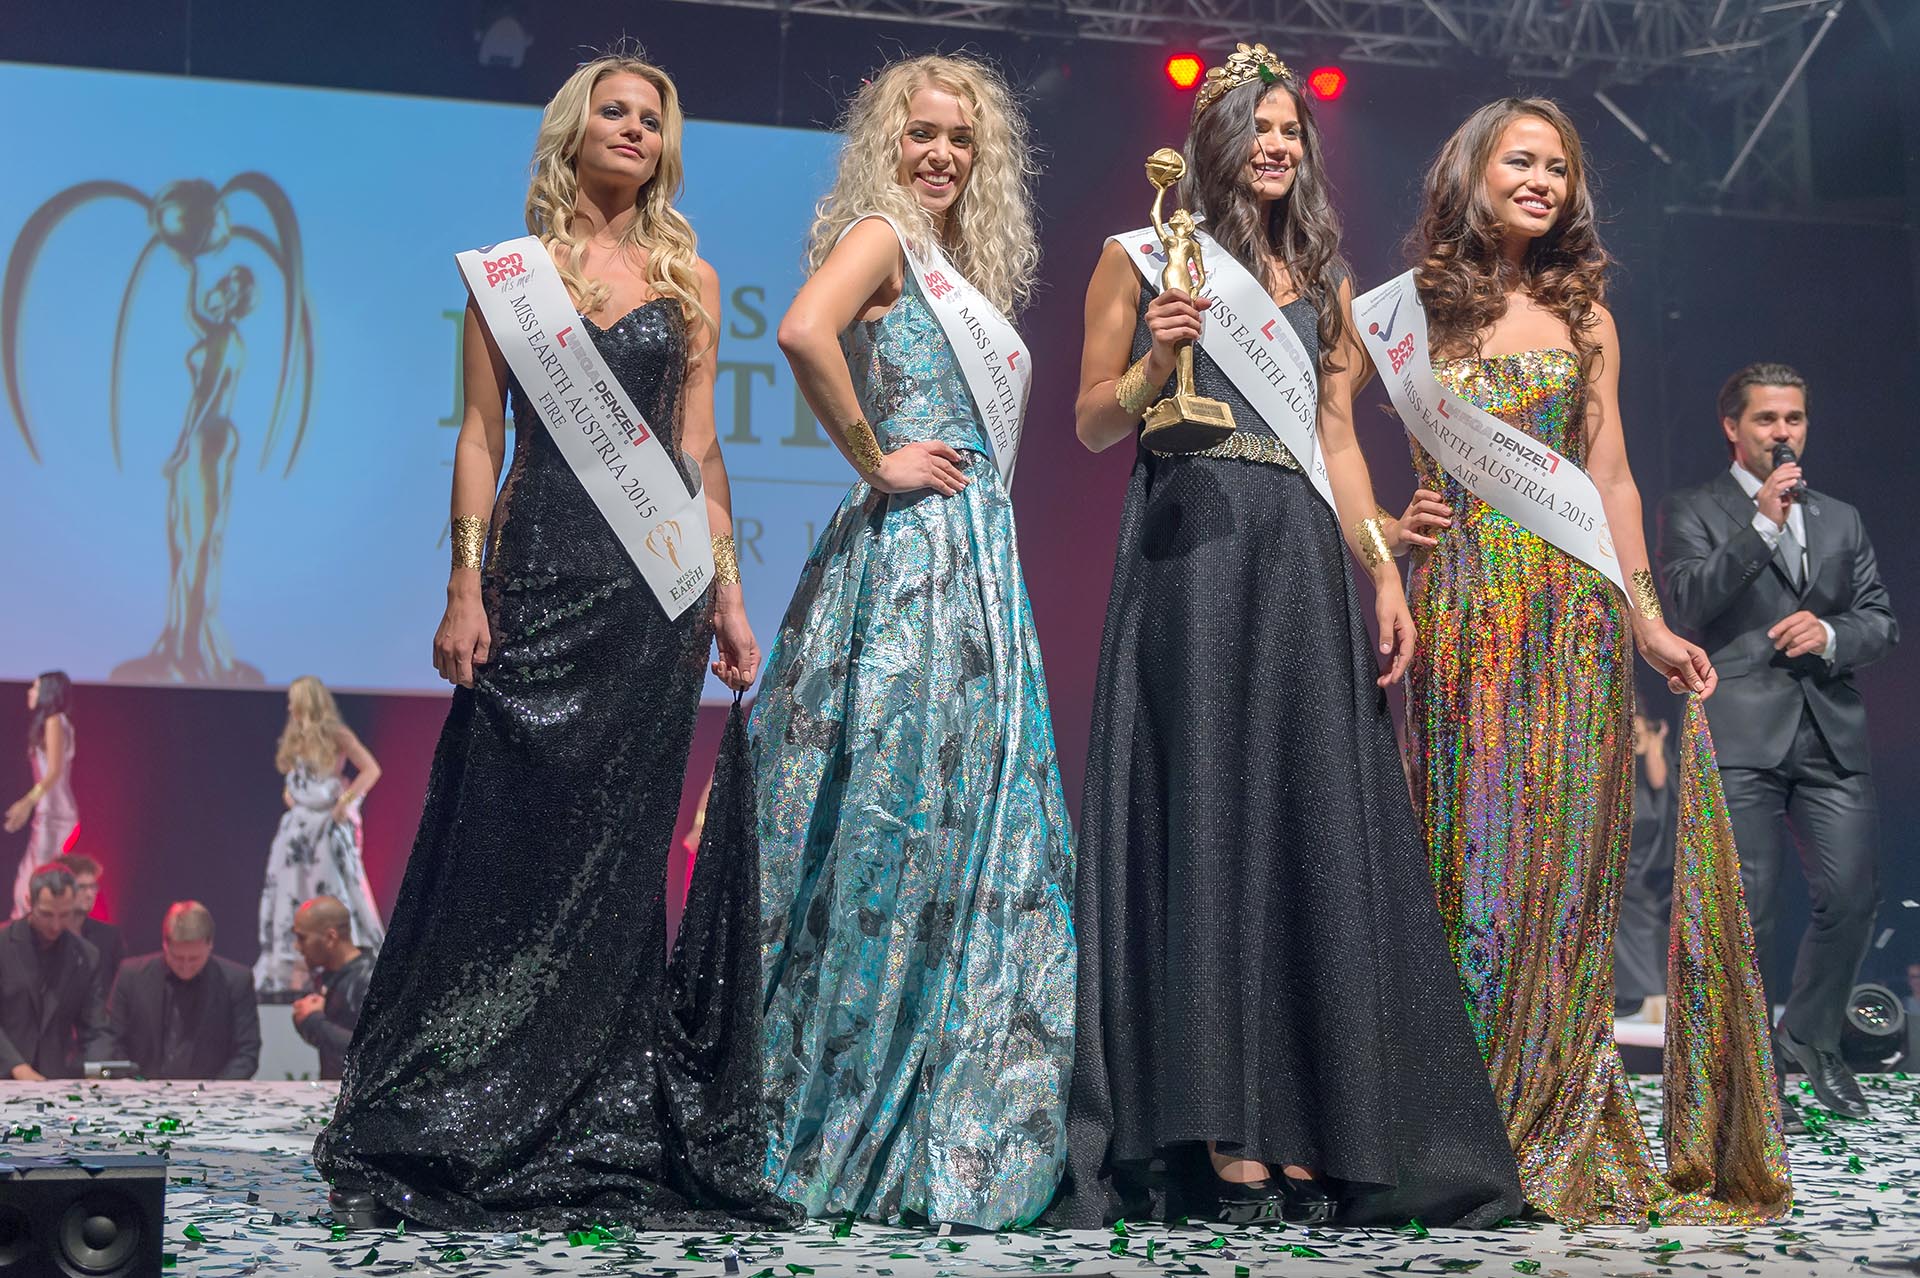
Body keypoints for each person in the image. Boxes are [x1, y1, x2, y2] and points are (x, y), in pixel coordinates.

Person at [314, 53, 787, 1232]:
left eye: (651, 120)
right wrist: (462, 585)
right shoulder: (510, 278)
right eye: (613, 112)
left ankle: (592, 1111)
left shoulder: (691, 279)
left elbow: (698, 453)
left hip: (651, 606)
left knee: (615, 867)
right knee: (501, 849)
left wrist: (729, 599)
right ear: (573, 131)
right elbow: (481, 436)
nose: (633, 129)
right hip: (531, 582)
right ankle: (460, 1101)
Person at [1058, 45, 1521, 1230]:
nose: (1277, 146)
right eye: (1258, 128)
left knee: (1305, 826)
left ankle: (1321, 1119)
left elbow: (1336, 443)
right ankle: (1220, 1129)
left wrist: (1383, 567)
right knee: (1212, 818)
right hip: (1196, 552)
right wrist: (1156, 362)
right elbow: (1094, 423)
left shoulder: (1322, 278)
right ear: (1216, 141)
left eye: (1290, 132)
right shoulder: (1137, 256)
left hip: (1301, 558)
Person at [1389, 97, 1789, 1223]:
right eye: (1520, 161)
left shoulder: (1587, 315)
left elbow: (1609, 477)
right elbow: (1338, 432)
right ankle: (1460, 1123)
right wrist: (1387, 533)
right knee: (1470, 864)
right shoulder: (1409, 309)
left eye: (1558, 168)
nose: (1541, 182)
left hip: (1572, 619)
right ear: (1471, 171)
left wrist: (1648, 619)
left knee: (1566, 872)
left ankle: (1556, 1117)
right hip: (1466, 609)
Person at [751, 54, 1074, 1229]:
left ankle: (946, 1110)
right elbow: (801, 330)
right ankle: (854, 1105)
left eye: (961, 139)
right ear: (888, 142)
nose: (941, 154)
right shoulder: (885, 235)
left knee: (967, 815)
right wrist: (872, 457)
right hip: (916, 559)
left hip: (976, 557)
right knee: (897, 812)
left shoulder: (954, 265)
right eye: (922, 133)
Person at [1657, 361, 1897, 1122]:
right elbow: (1685, 600)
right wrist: (1760, 526)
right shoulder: (1693, 508)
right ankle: (1754, 1071)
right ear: (1733, 427)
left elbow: (1881, 620)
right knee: (1749, 909)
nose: (1783, 432)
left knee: (1852, 896)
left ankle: (1812, 1039)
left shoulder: (1840, 518)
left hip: (1830, 730)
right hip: (1742, 731)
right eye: (1767, 419)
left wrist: (1830, 632)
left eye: (1794, 419)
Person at [255, 675, 386, 999]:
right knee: (290, 893)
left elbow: (371, 769)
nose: (290, 708)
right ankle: (292, 974)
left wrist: (345, 802)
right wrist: (294, 797)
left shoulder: (337, 734)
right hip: (298, 831)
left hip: (325, 828)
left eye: (294, 701)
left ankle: (343, 968)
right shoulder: (295, 737)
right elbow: (294, 779)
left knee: (331, 893)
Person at [108, 901, 259, 1080]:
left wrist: (215, 1090)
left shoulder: (236, 982)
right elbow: (112, 1040)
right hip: (140, 1088)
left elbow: (246, 1052)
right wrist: (133, 1083)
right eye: (177, 957)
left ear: (210, 945)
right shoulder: (131, 976)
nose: (185, 966)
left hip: (212, 1091)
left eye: (194, 958)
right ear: (165, 945)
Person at [0, 866, 110, 1080]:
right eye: (46, 914)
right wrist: (17, 1066)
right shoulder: (3, 944)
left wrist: (97, 1072)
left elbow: (96, 1028)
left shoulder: (86, 956)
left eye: (65, 914)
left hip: (55, 1079)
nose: (56, 925)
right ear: (29, 902)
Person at [1613, 709, 1676, 1022]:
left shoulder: (1650, 739)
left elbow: (1659, 779)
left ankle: (1652, 990)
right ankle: (1627, 990)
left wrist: (1653, 742)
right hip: (1620, 824)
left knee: (1644, 915)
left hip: (1645, 833)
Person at [6, 671, 77, 917]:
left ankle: (25, 931)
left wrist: (27, 802)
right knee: (31, 879)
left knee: (32, 883)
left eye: (35, 688)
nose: (30, 692)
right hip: (49, 811)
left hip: (55, 814)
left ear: (48, 692)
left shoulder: (55, 721)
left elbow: (54, 770)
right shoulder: (55, 722)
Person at [290, 895, 372, 1080]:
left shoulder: (369, 981)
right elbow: (331, 1046)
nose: (297, 947)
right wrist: (305, 1019)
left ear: (330, 937)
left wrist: (314, 1020)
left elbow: (369, 1050)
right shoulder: (331, 976)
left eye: (302, 938)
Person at [51, 853, 124, 1001]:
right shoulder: (43, 935)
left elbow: (120, 992)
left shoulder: (109, 937)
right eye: (82, 887)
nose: (90, 894)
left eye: (93, 887)